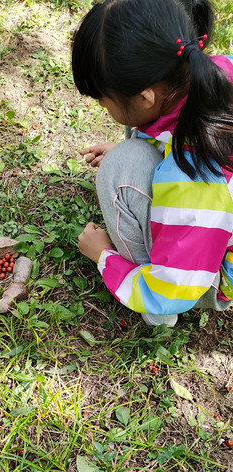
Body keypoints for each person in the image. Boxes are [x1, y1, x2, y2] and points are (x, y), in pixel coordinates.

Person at [71, 0, 233, 327]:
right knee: (132, 138)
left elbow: (171, 290)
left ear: (146, 96)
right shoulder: (215, 71)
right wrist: (150, 142)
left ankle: (159, 317)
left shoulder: (196, 179)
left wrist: (106, 257)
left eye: (102, 99)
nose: (102, 105)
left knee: (121, 168)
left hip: (204, 272)